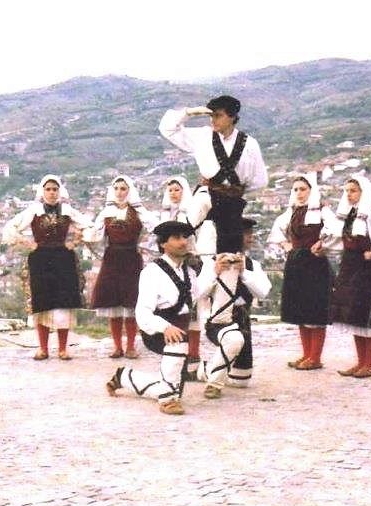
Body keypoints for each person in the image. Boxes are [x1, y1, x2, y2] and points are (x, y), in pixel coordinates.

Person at [105, 221, 205, 416]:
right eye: (177, 238)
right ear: (163, 244)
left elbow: (198, 295)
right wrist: (165, 327)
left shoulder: (189, 271)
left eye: (185, 237)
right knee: (171, 389)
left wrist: (215, 270)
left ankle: (124, 377)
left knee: (174, 388)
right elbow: (142, 313)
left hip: (180, 334)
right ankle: (167, 401)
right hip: (157, 333)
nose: (183, 242)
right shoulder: (152, 272)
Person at [158, 96, 268, 254]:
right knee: (189, 238)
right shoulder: (203, 136)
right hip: (206, 198)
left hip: (232, 206)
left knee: (230, 253)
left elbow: (260, 180)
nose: (213, 120)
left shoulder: (250, 144)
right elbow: (167, 129)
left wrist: (234, 190)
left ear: (232, 117)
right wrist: (189, 112)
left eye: (218, 115)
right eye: (211, 115)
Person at [315, 174, 371, 378]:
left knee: (367, 315)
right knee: (353, 315)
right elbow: (341, 239)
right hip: (350, 266)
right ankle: (360, 363)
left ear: (363, 192)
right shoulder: (350, 215)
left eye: (353, 191)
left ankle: (369, 365)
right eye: (347, 191)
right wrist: (324, 247)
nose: (349, 194)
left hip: (368, 269)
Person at [1, 175, 90, 360]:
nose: (51, 193)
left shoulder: (67, 211)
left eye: (55, 189)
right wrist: (27, 242)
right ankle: (43, 349)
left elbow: (90, 226)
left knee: (64, 303)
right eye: (48, 189)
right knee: (42, 303)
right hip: (41, 259)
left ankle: (63, 349)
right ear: (42, 191)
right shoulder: (34, 211)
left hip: (63, 259)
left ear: (60, 191)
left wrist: (74, 242)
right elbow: (10, 227)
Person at [193, 219, 272, 398]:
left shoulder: (252, 265)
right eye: (246, 233)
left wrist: (244, 273)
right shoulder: (212, 263)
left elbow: (263, 292)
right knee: (232, 340)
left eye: (250, 233)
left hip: (242, 321)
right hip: (218, 321)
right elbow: (199, 293)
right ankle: (214, 383)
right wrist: (215, 272)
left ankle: (205, 369)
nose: (250, 237)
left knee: (241, 379)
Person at [267, 173, 336, 371]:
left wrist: (322, 244)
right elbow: (276, 232)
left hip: (315, 264)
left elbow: (335, 230)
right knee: (301, 311)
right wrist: (286, 245)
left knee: (315, 310)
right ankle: (306, 354)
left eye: (303, 189)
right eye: (296, 189)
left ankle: (315, 357)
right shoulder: (291, 212)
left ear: (311, 190)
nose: (299, 193)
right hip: (296, 263)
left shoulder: (322, 210)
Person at [87, 175, 157, 359]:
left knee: (131, 304)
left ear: (129, 191)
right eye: (116, 188)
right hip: (112, 258)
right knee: (114, 305)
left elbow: (156, 228)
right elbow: (95, 234)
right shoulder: (106, 212)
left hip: (131, 258)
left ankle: (131, 346)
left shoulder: (139, 212)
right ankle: (117, 347)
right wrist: (84, 235)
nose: (119, 192)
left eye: (123, 188)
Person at [155, 175, 204, 366]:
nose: (174, 193)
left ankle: (194, 352)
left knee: (193, 307)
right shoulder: (165, 214)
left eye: (177, 190)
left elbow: (195, 237)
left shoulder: (189, 212)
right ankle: (176, 347)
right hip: (169, 263)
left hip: (189, 260)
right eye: (170, 190)